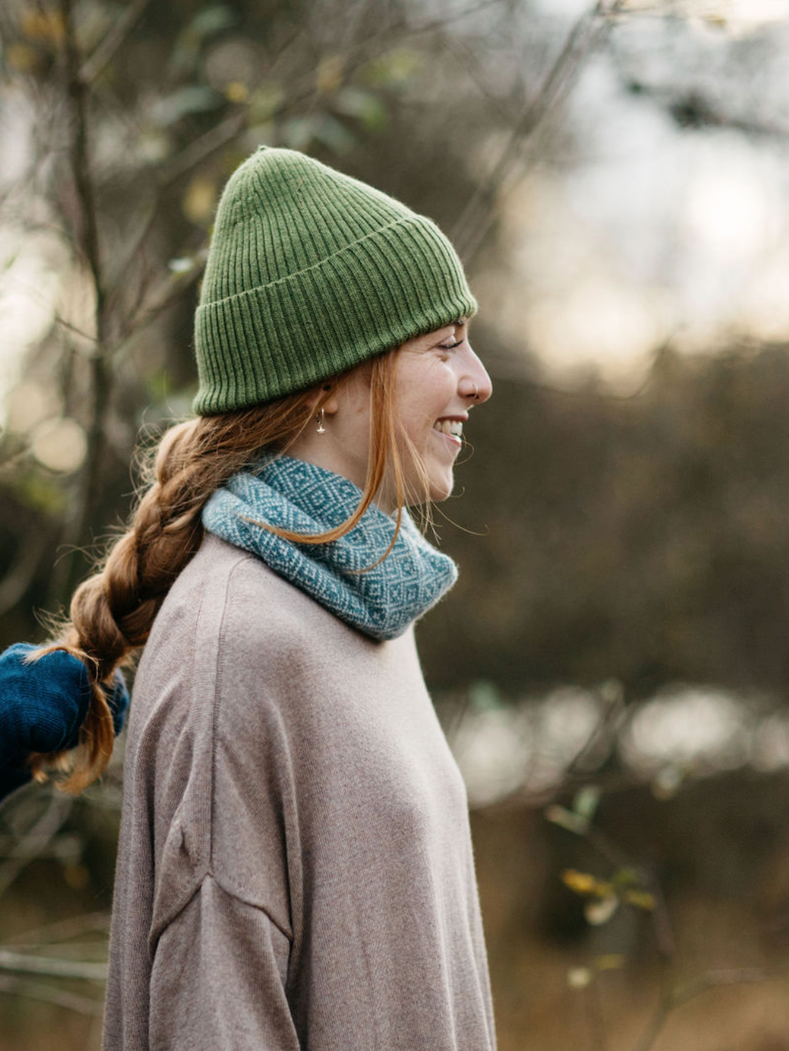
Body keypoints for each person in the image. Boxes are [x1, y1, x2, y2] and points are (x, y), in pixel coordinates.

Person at [0, 147, 495, 1050]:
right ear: (330, 384)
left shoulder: (364, 600)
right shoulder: (243, 643)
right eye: (443, 344)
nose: (478, 378)